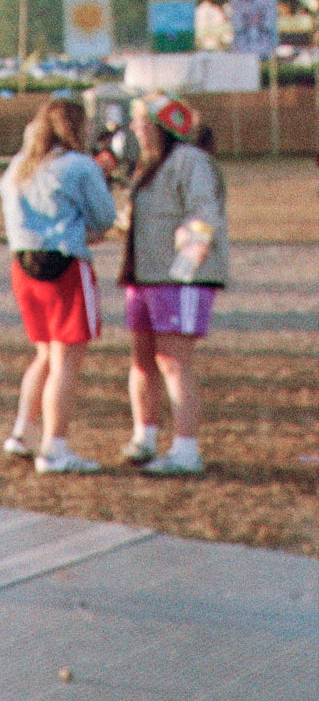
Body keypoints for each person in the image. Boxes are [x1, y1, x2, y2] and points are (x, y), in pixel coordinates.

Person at [0, 98, 115, 473]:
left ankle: (22, 433)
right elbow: (105, 217)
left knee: (44, 355)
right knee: (66, 361)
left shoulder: (20, 165)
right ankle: (54, 449)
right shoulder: (79, 165)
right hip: (65, 266)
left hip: (24, 265)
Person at [118, 93, 225, 476]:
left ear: (161, 126)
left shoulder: (191, 162)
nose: (134, 128)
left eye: (141, 121)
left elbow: (204, 216)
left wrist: (182, 274)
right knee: (143, 359)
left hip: (177, 280)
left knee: (174, 362)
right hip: (144, 278)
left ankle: (185, 450)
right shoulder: (149, 165)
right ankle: (144, 437)